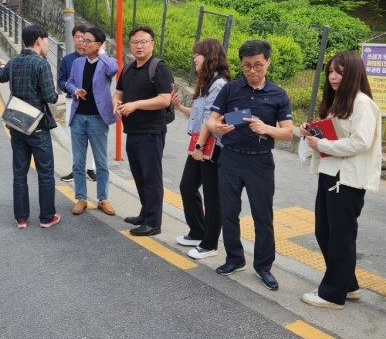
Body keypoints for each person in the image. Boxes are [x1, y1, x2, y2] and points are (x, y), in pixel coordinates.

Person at [206, 39, 293, 291]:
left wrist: (267, 128)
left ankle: (263, 266)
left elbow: (288, 133)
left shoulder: (278, 94)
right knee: (229, 211)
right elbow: (211, 121)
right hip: (231, 157)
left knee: (262, 216)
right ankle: (234, 258)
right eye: (247, 66)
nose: (252, 71)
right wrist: (217, 127)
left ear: (268, 62)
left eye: (258, 65)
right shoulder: (231, 89)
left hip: (260, 162)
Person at [300, 51, 382, 309]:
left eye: (339, 72)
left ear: (353, 74)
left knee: (339, 237)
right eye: (331, 72)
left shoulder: (362, 103)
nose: (333, 77)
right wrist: (311, 132)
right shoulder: (342, 101)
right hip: (331, 174)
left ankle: (332, 294)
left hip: (347, 180)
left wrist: (322, 142)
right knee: (326, 232)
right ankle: (348, 285)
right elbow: (334, 133)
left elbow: (360, 141)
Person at [0, 24, 60, 229]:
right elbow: (51, 96)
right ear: (39, 40)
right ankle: (47, 217)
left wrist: (3, 66)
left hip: (18, 126)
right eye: (47, 40)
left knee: (20, 173)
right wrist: (57, 95)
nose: (48, 44)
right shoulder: (41, 64)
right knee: (45, 173)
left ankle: (21, 218)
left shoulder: (14, 62)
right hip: (38, 126)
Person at [112, 26, 174, 236]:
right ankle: (145, 213)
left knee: (151, 177)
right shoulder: (128, 68)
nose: (139, 46)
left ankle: (153, 222)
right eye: (135, 42)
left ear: (152, 44)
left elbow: (164, 99)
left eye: (144, 42)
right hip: (133, 130)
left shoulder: (158, 68)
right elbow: (118, 93)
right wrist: (116, 102)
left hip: (151, 131)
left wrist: (135, 105)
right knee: (138, 175)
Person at [173, 39, 230, 259]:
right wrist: (179, 107)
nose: (194, 59)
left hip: (212, 147)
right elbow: (198, 116)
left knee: (212, 196)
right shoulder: (207, 82)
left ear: (209, 56)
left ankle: (210, 244)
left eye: (197, 54)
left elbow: (210, 120)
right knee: (187, 187)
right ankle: (198, 231)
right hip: (200, 142)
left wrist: (199, 146)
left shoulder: (219, 84)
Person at [65, 27, 118, 216]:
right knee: (78, 162)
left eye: (88, 41)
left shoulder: (106, 62)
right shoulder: (78, 63)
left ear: (99, 44)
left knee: (101, 161)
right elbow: (68, 82)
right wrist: (75, 90)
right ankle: (81, 198)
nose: (83, 43)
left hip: (97, 118)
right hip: (78, 117)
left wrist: (102, 52)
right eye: (81, 40)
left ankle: (103, 199)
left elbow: (114, 69)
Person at [57, 24, 97, 183]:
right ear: (73, 39)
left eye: (84, 38)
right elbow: (60, 81)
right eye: (77, 37)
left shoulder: (96, 58)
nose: (81, 41)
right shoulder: (67, 60)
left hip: (92, 104)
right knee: (74, 136)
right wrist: (71, 88)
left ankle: (90, 168)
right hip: (72, 101)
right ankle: (76, 168)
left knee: (93, 135)